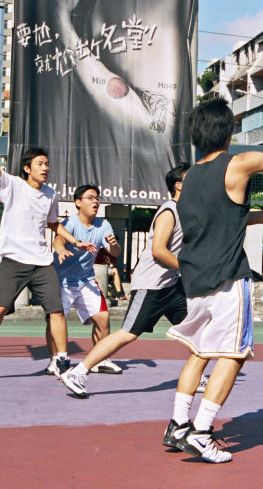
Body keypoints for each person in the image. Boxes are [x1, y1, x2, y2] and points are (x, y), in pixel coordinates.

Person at [161, 98, 263, 463]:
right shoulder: (238, 163)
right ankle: (200, 432)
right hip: (229, 279)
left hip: (195, 280)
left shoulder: (190, 177)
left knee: (200, 352)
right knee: (234, 354)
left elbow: (228, 217)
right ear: (228, 132)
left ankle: (178, 425)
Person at [0, 120, 97, 381]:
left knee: (56, 311)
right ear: (27, 168)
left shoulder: (50, 194)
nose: (45, 168)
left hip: (42, 262)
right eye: (40, 164)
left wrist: (75, 242)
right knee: (1, 308)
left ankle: (61, 360)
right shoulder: (12, 185)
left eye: (47, 164)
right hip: (15, 260)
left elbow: (52, 224)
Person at [60, 164, 199, 397]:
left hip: (171, 284)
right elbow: (158, 251)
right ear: (179, 185)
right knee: (128, 333)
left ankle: (197, 376)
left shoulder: (190, 210)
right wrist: (189, 268)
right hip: (151, 285)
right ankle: (78, 371)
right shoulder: (169, 212)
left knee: (195, 330)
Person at [46, 184, 122, 376]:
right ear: (78, 202)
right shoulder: (70, 222)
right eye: (90, 197)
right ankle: (55, 360)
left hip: (86, 280)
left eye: (97, 198)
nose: (95, 201)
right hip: (62, 281)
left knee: (103, 317)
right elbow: (58, 239)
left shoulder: (103, 225)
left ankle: (99, 360)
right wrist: (61, 249)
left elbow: (114, 252)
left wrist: (114, 246)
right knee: (55, 319)